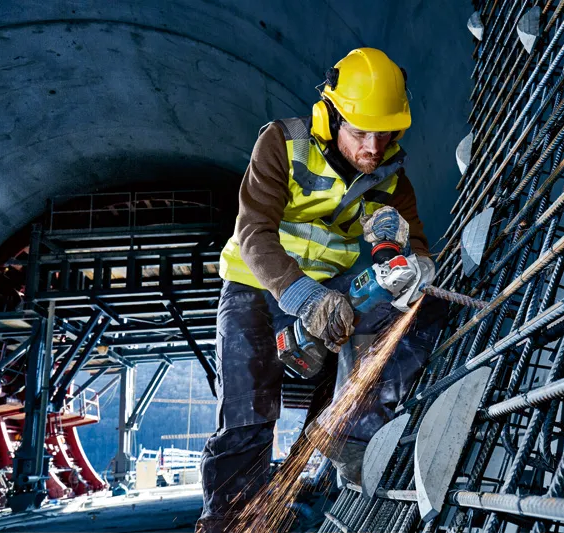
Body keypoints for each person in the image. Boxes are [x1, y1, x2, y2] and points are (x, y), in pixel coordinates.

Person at [196, 48, 445, 532]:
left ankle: (347, 439)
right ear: (330, 116)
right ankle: (226, 521)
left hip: (332, 292)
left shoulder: (392, 180)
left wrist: (414, 265)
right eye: (360, 132)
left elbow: (417, 248)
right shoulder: (282, 144)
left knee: (419, 313)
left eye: (385, 132)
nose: (373, 146)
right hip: (257, 285)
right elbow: (254, 233)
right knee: (247, 416)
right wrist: (304, 298)